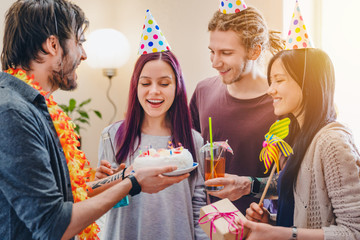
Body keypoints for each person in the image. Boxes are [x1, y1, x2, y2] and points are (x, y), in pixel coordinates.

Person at [0, 1, 189, 239]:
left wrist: (125, 175)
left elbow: (70, 196)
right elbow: (53, 224)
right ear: (52, 45)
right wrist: (134, 183)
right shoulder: (12, 112)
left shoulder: (36, 106)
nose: (84, 55)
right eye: (79, 43)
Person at [243, 48, 360, 239]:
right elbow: (298, 219)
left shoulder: (332, 142)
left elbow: (354, 232)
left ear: (308, 84)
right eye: (271, 82)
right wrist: (271, 223)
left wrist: (280, 234)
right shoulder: (297, 137)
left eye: (279, 80)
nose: (270, 90)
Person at [95, 49, 208, 240]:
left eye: (164, 83)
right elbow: (101, 200)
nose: (154, 90)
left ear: (177, 87)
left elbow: (198, 206)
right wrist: (112, 182)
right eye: (145, 83)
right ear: (135, 86)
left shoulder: (194, 140)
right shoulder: (112, 136)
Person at [189, 3, 284, 214]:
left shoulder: (281, 103)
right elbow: (191, 163)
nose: (215, 62)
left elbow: (295, 183)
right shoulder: (203, 91)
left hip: (262, 230)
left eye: (226, 53)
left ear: (254, 50)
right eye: (212, 52)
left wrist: (248, 185)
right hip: (209, 229)